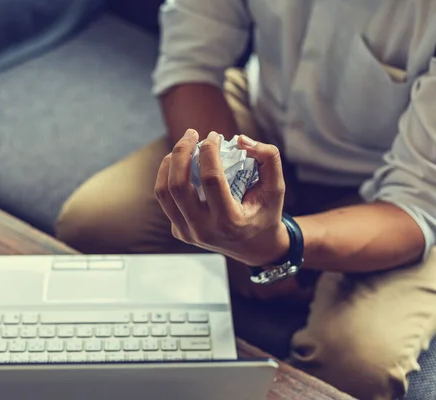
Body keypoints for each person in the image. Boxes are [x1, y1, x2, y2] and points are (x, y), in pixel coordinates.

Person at [56, 1, 436, 399]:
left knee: (356, 363)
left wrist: (278, 243)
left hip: (400, 184)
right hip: (262, 121)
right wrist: (232, 211)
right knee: (94, 224)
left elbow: (416, 201)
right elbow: (190, 63)